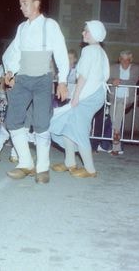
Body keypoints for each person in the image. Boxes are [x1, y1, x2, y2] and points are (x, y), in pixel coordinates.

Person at [2, 0, 69, 184]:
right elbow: (14, 53)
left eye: (24, 3)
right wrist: (10, 72)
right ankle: (25, 163)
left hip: (42, 79)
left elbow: (61, 54)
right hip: (23, 79)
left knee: (41, 123)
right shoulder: (22, 28)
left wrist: (62, 81)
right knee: (13, 120)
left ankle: (42, 168)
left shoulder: (50, 26)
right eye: (20, 3)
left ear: (36, 3)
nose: (21, 6)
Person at [49, 20, 109, 178]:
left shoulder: (89, 50)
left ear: (94, 34)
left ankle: (90, 169)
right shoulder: (100, 51)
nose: (83, 33)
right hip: (95, 94)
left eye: (86, 31)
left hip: (88, 95)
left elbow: (83, 76)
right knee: (69, 126)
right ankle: (70, 163)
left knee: (80, 130)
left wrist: (75, 97)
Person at [108, 50, 139, 155]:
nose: (125, 62)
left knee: (117, 115)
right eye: (122, 59)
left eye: (127, 60)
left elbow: (133, 81)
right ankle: (117, 139)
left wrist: (119, 81)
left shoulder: (136, 68)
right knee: (114, 118)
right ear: (119, 59)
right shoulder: (113, 67)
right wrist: (112, 81)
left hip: (127, 98)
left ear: (131, 60)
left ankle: (115, 147)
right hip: (114, 97)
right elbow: (107, 79)